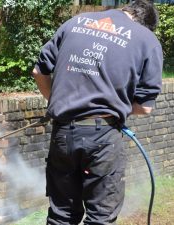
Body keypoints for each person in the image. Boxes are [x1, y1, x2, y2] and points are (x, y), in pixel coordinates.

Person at [32, 0, 163, 224]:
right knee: (100, 218)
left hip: (63, 132)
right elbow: (145, 106)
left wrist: (58, 101)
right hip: (103, 137)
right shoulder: (146, 39)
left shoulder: (75, 22)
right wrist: (115, 106)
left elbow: (38, 71)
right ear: (145, 23)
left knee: (61, 215)